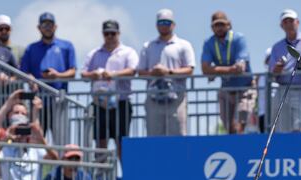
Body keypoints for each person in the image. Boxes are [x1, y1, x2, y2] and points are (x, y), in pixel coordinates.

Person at [82, 20, 138, 159]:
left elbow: (133, 71)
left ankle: (126, 172)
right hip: (99, 104)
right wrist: (93, 74)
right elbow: (83, 74)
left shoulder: (128, 52)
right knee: (100, 142)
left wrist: (114, 74)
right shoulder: (94, 53)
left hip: (121, 103)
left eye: (113, 33)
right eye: (106, 34)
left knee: (122, 143)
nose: (110, 36)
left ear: (118, 33)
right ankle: (101, 172)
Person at [137, 9, 196, 137]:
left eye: (167, 22)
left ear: (173, 24)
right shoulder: (148, 46)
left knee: (178, 136)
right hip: (154, 99)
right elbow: (140, 72)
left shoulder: (184, 45)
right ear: (156, 25)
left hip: (177, 99)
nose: (164, 25)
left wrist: (168, 72)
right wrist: (153, 73)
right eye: (161, 22)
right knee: (154, 137)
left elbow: (190, 69)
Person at [20, 12, 77, 133]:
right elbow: (24, 72)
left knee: (60, 139)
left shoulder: (66, 46)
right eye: (44, 25)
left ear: (55, 27)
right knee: (37, 138)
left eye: (50, 24)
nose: (47, 28)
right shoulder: (31, 48)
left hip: (59, 101)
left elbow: (73, 72)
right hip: (37, 102)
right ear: (39, 27)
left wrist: (57, 75)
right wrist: (31, 79)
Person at [202, 11, 255, 134]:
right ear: (212, 27)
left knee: (241, 125)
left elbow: (240, 68)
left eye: (222, 24)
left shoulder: (238, 39)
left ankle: (243, 143)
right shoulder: (209, 43)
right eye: (216, 25)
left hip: (245, 89)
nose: (219, 28)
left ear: (229, 24)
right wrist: (230, 69)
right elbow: (205, 69)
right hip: (226, 90)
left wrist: (215, 70)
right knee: (229, 128)